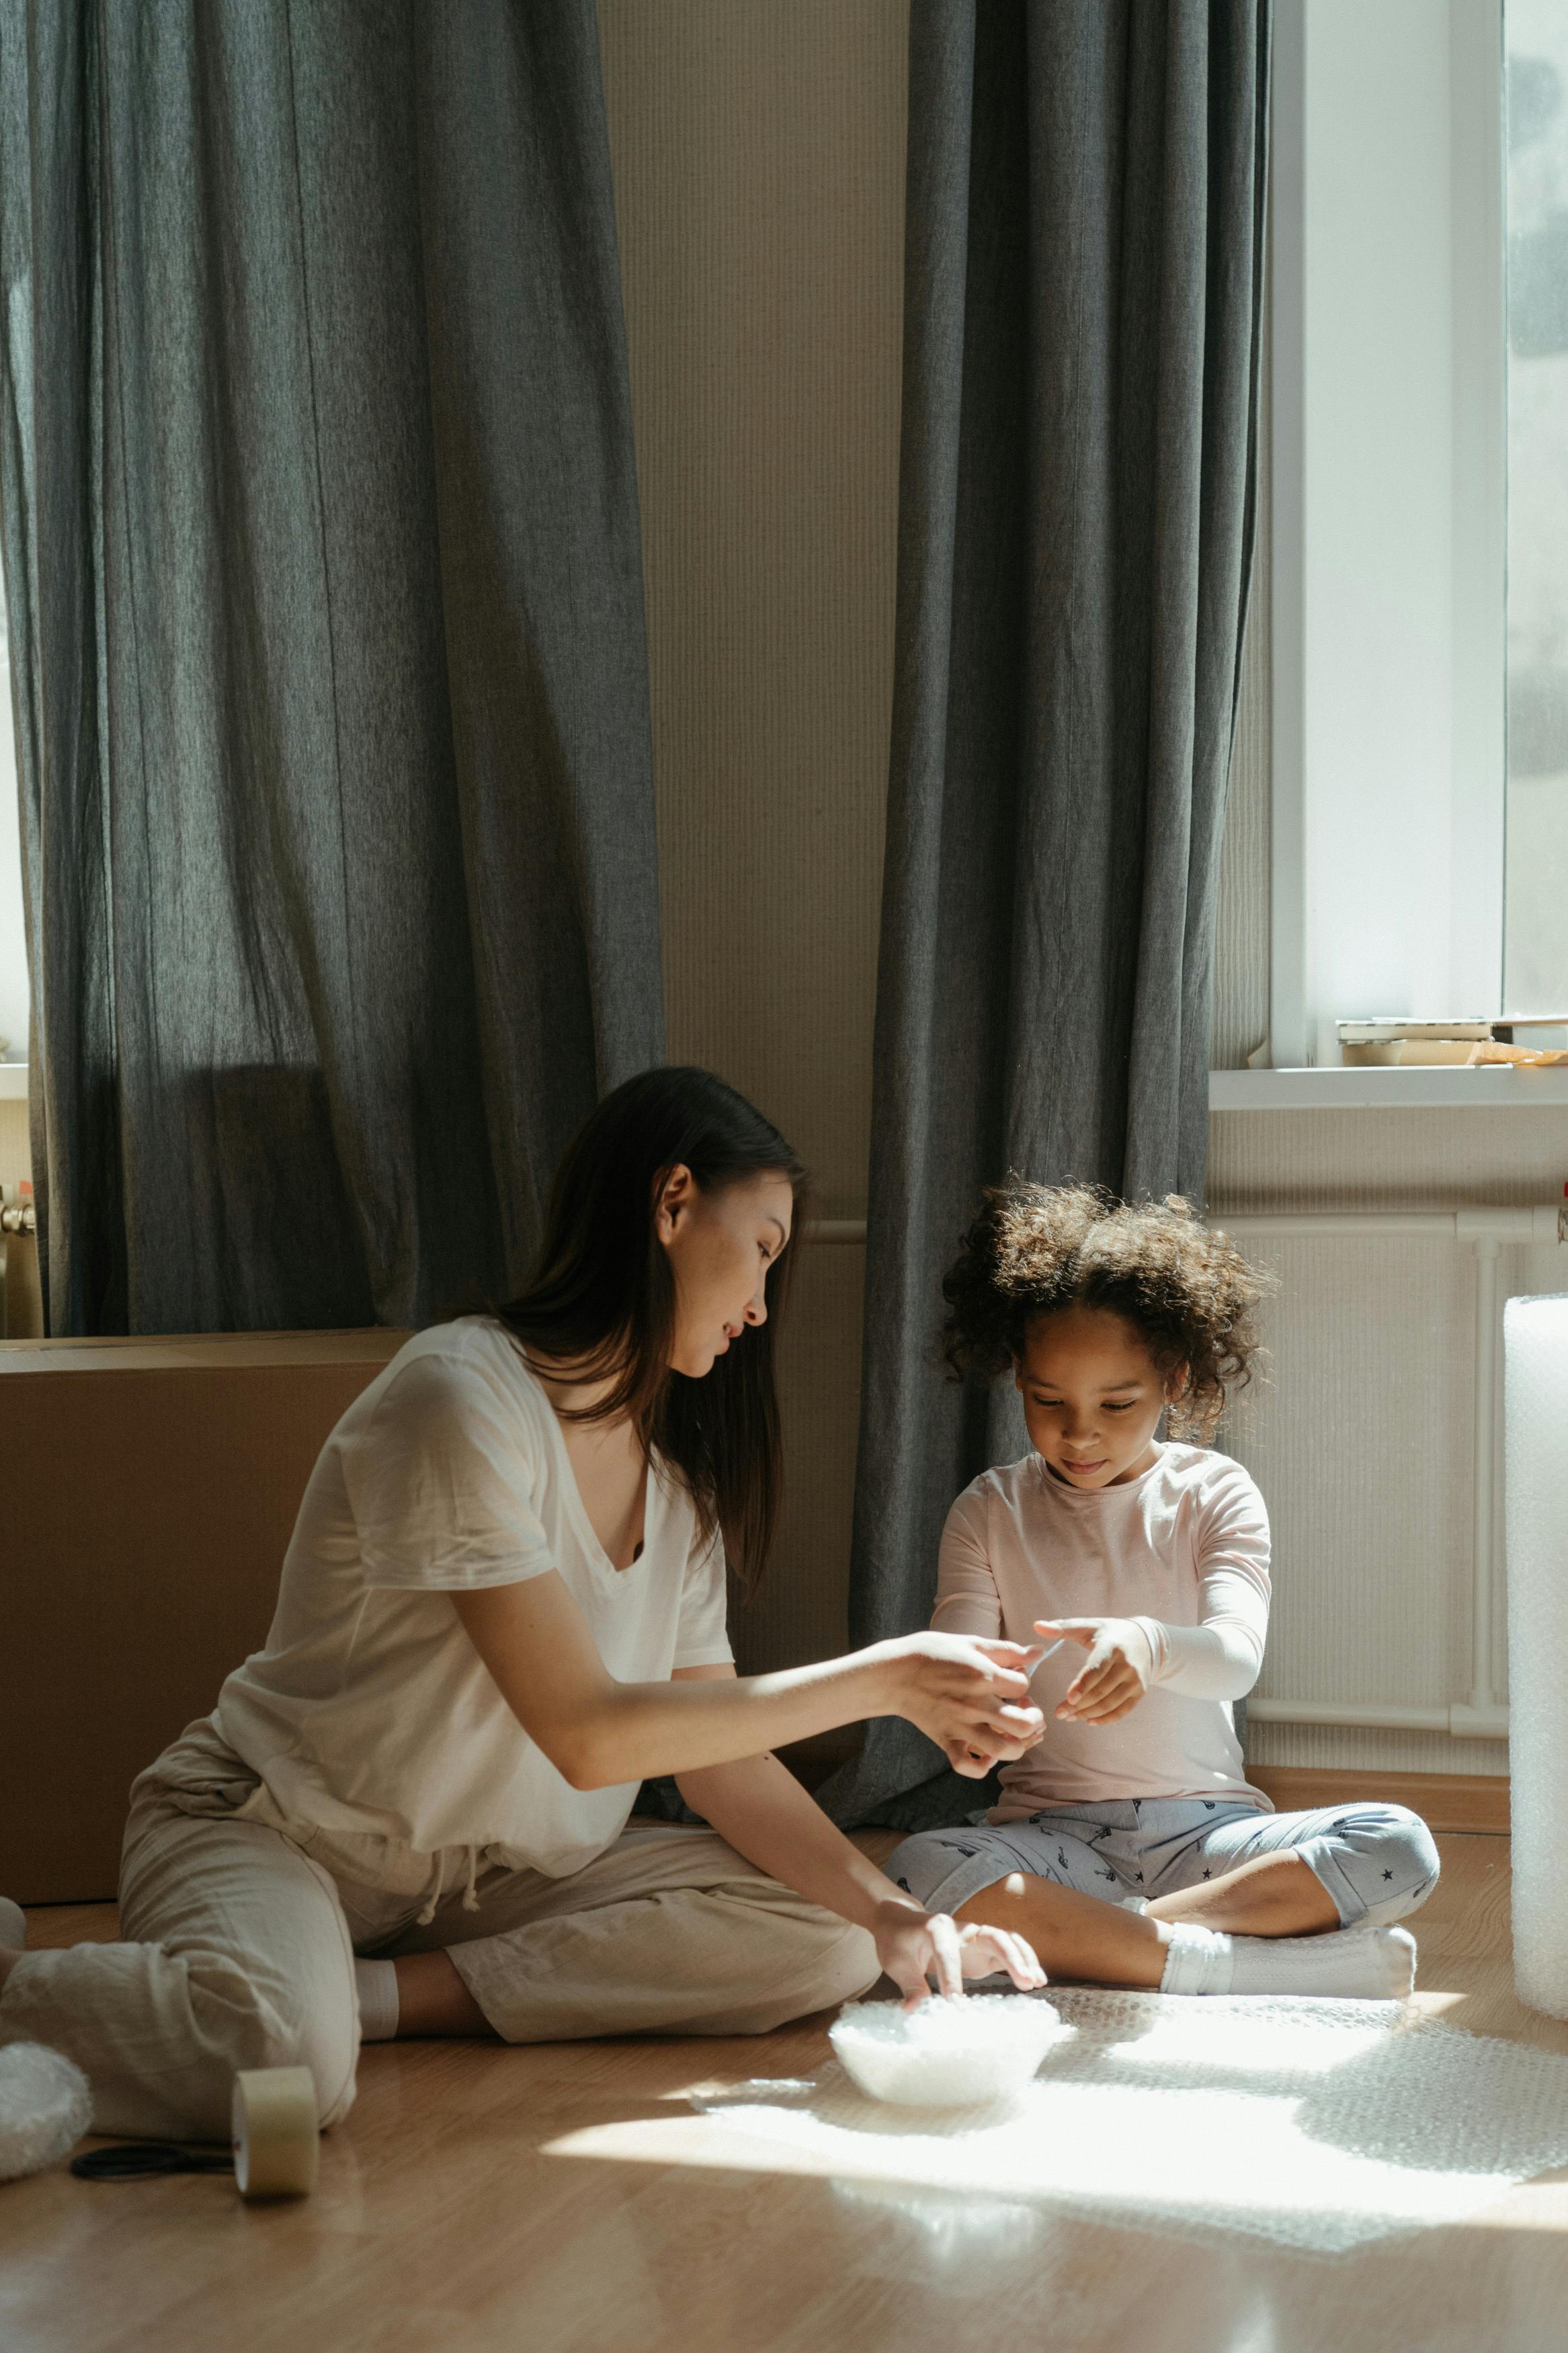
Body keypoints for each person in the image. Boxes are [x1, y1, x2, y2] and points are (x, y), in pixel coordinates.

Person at [0, 1069, 1048, 2143]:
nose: (761, 1306)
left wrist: (888, 1909)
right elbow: (587, 1735)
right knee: (280, 2073)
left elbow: (717, 1759)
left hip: (487, 1881)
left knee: (827, 1935)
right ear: (673, 1202)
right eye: (764, 1249)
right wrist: (882, 1677)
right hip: (285, 1832)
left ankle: (374, 2001)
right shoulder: (460, 1397)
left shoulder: (675, 1495)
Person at [884, 1182, 1441, 2000]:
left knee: (1398, 1843)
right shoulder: (986, 1509)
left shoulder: (1214, 1491)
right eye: (1047, 1401)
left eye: (1116, 1403)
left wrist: (1148, 1644)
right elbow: (963, 1666)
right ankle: (1217, 1959)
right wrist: (973, 1724)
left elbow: (1233, 1659)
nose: (1079, 1433)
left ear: (1174, 1378)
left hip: (1208, 1837)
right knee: (913, 1864)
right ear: (1017, 1377)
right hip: (1051, 1840)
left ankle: (1115, 1944)